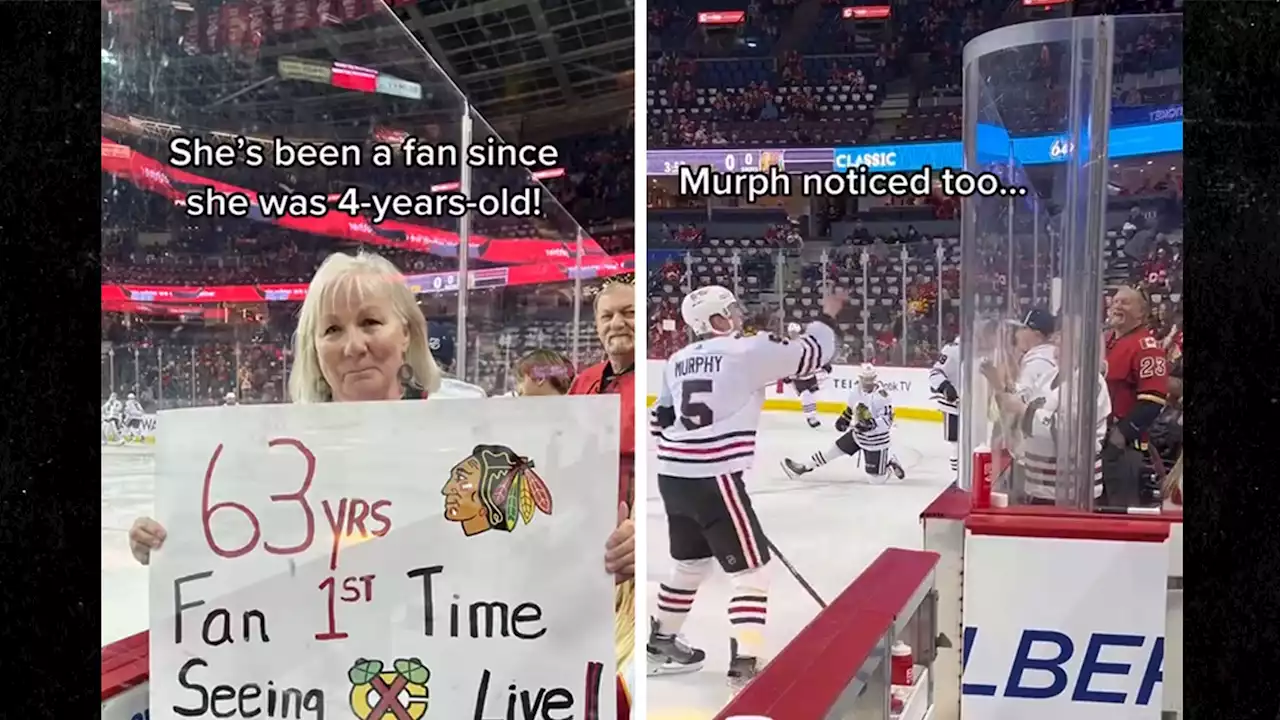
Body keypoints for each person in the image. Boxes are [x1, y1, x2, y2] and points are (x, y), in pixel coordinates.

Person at [127, 251, 636, 717]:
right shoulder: (268, 455)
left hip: (458, 672)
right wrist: (174, 545)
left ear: (406, 334)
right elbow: (240, 570)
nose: (353, 345)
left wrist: (603, 549)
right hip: (314, 682)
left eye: (370, 321)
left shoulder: (473, 434)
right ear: (314, 348)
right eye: (331, 330)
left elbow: (533, 559)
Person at [648, 284, 845, 688]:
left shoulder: (676, 359)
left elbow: (660, 419)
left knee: (689, 563)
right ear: (716, 320)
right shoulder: (747, 350)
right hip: (715, 476)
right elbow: (813, 352)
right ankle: (746, 661)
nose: (738, 315)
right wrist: (827, 314)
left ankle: (661, 642)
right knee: (752, 572)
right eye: (731, 310)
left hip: (672, 475)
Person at [566, 278, 637, 717]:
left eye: (627, 312)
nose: (616, 323)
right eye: (607, 315)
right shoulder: (585, 381)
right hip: (585, 549)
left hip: (631, 558)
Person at [783, 362, 905, 482]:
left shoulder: (882, 396)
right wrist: (844, 419)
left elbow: (887, 420)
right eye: (865, 379)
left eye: (870, 379)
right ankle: (805, 467)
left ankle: (889, 462)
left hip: (876, 441)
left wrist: (872, 424)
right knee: (832, 451)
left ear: (875, 378)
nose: (868, 382)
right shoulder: (856, 391)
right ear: (860, 378)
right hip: (858, 435)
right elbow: (851, 408)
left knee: (876, 481)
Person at [1103, 286, 1169, 507]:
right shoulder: (1106, 341)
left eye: (1125, 302)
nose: (1117, 305)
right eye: (1115, 301)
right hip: (1096, 442)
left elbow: (1154, 400)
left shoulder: (1147, 347)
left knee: (1118, 509)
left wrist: (1121, 435)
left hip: (1122, 447)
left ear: (1142, 313)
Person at [781, 321, 827, 428]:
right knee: (806, 395)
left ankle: (812, 415)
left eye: (795, 332)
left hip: (810, 375)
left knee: (813, 396)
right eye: (791, 332)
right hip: (797, 378)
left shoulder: (807, 342)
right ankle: (811, 417)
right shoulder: (786, 344)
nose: (793, 334)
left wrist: (823, 364)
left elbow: (816, 354)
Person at [928, 337, 961, 478]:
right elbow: (935, 373)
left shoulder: (988, 349)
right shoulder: (953, 350)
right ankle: (957, 476)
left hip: (977, 406)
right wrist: (945, 386)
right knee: (955, 443)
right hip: (953, 406)